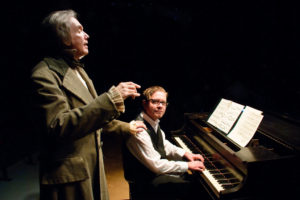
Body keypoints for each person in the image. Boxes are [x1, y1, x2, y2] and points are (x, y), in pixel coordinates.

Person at [30, 9, 146, 200]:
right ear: (64, 37)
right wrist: (111, 98)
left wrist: (128, 127)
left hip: (90, 165)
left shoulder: (78, 70)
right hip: (69, 176)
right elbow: (58, 125)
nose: (86, 35)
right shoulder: (43, 75)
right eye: (79, 30)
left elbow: (91, 118)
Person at [123, 86, 207, 200]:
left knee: (192, 179)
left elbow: (163, 143)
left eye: (163, 102)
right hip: (145, 181)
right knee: (194, 187)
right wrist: (187, 165)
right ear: (144, 103)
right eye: (155, 102)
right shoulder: (139, 129)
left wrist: (185, 153)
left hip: (152, 173)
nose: (160, 106)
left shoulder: (152, 121)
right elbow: (156, 165)